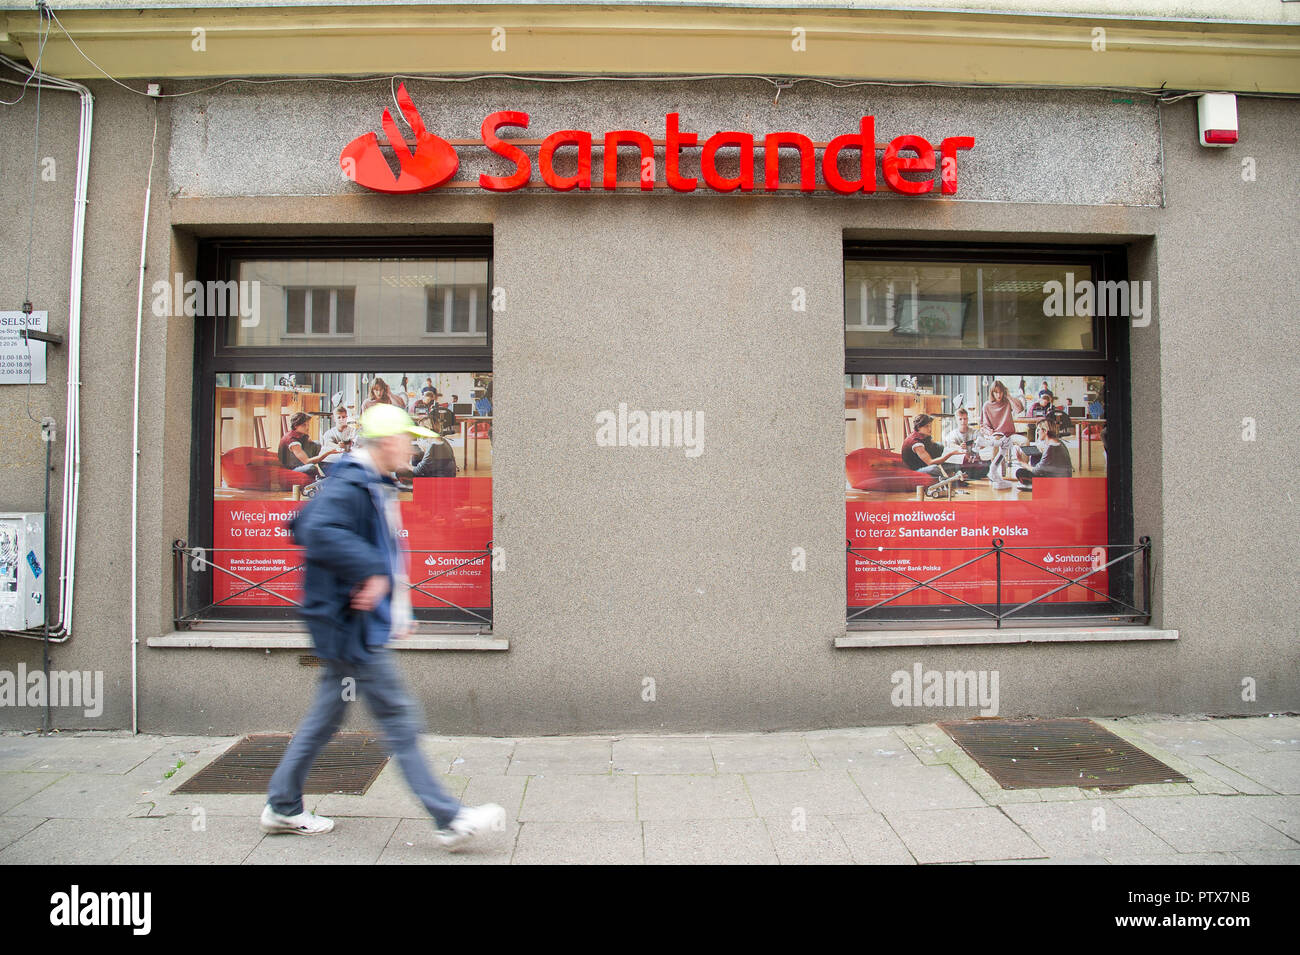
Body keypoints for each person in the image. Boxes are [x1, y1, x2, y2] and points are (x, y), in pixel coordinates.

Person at [261, 404, 505, 849]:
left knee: (327, 715)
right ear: (388, 442)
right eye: (406, 438)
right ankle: (449, 818)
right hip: (348, 626)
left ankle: (281, 804)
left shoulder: (369, 481)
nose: (411, 445)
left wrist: (396, 605)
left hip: (347, 624)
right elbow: (313, 527)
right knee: (399, 719)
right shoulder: (352, 481)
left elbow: (348, 538)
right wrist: (371, 572)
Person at [1013, 418, 1074, 491]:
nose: (1038, 432)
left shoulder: (1050, 448)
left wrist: (1022, 462)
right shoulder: (1059, 442)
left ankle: (1037, 486)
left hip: (1056, 483)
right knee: (1036, 456)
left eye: (1038, 430)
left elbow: (1036, 471)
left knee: (1020, 472)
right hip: (1064, 479)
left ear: (1045, 431)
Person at [900, 414, 965, 479]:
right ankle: (947, 481)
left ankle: (953, 474)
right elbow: (930, 462)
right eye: (926, 426)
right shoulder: (916, 443)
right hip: (914, 471)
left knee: (939, 447)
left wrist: (955, 449)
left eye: (930, 426)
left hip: (921, 463)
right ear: (919, 427)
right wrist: (951, 453)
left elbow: (939, 448)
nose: (930, 429)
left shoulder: (922, 435)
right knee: (934, 468)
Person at [941, 408, 989, 480]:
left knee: (987, 465)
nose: (963, 421)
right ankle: (961, 474)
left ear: (967, 419)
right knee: (944, 459)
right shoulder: (952, 434)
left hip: (973, 463)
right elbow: (951, 444)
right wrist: (960, 448)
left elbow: (983, 443)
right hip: (960, 463)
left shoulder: (975, 432)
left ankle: (963, 475)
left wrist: (977, 445)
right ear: (956, 420)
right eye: (960, 419)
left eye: (965, 419)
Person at [411, 413, 458, 478]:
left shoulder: (433, 447)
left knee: (402, 472)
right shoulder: (443, 441)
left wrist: (405, 465)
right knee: (416, 457)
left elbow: (417, 471)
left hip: (439, 483)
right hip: (447, 478)